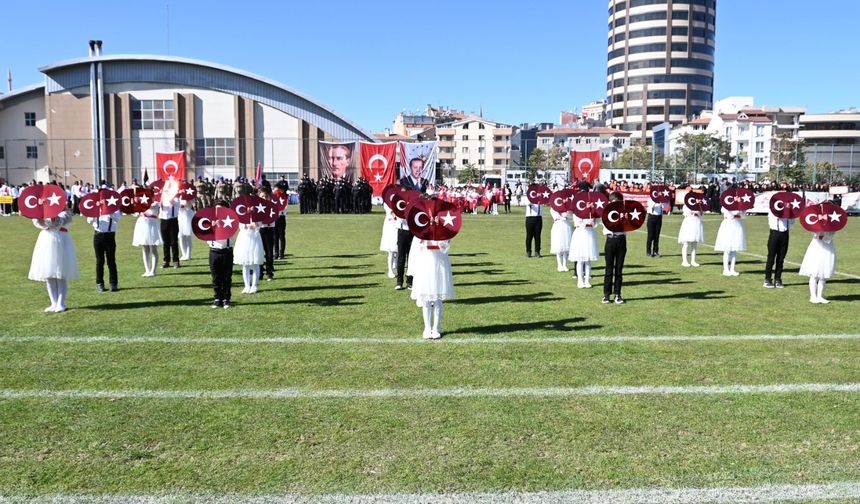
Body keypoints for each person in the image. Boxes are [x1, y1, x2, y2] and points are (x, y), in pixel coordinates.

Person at [29, 210, 79, 312]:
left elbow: (57, 223)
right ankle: (54, 303)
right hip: (46, 241)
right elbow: (40, 224)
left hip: (61, 242)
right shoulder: (44, 212)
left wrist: (50, 217)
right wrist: (36, 215)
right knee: (49, 275)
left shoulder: (66, 213)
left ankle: (61, 303)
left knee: (60, 275)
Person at [395, 158, 429, 290]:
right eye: (416, 167)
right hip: (403, 225)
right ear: (411, 168)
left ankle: (410, 281)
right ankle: (399, 281)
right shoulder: (403, 182)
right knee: (401, 254)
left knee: (413, 255)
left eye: (421, 168)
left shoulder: (425, 183)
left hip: (417, 226)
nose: (418, 170)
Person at [410, 238, 454, 339]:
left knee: (438, 298)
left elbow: (445, 247)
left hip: (440, 264)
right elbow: (417, 249)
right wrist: (421, 240)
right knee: (426, 299)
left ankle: (436, 328)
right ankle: (427, 328)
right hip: (425, 264)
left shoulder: (442, 229)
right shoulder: (421, 228)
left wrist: (445, 241)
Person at [87, 204, 121, 292]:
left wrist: (109, 210)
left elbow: (117, 218)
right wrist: (95, 210)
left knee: (111, 260)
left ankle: (113, 283)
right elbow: (89, 221)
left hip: (110, 236)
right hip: (98, 235)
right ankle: (99, 283)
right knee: (99, 261)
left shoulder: (114, 208)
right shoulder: (95, 208)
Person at [208, 200, 234, 309]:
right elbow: (203, 233)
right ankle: (217, 298)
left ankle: (226, 299)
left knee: (227, 277)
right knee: (216, 276)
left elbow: (230, 230)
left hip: (226, 251)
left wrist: (221, 224)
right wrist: (212, 226)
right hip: (214, 251)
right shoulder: (210, 220)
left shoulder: (231, 220)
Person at [602, 192, 627, 304]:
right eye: (614, 203)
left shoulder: (625, 212)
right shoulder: (606, 212)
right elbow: (608, 225)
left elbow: (630, 226)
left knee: (619, 269)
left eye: (618, 203)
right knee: (608, 269)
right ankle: (606, 295)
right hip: (611, 240)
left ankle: (618, 294)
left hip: (621, 240)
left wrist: (625, 219)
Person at [799, 231, 836, 304]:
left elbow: (831, 235)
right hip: (817, 247)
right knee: (814, 273)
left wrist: (828, 233)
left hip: (827, 247)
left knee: (824, 274)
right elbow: (815, 234)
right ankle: (813, 296)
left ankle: (820, 296)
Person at [763, 206, 794, 288]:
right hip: (774, 234)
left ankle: (778, 279)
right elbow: (776, 216)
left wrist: (789, 213)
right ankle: (767, 279)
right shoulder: (772, 211)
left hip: (785, 235)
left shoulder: (787, 212)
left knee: (781, 259)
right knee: (771, 258)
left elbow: (792, 222)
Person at [714, 205, 746, 276]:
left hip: (737, 225)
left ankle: (732, 269)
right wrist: (739, 207)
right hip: (728, 225)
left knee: (734, 249)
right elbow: (734, 213)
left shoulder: (739, 204)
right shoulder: (726, 205)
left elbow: (743, 216)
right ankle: (725, 269)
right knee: (727, 249)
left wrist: (743, 210)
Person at [132, 201, 162, 277]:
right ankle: (147, 270)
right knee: (145, 248)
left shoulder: (156, 202)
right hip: (142, 223)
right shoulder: (142, 200)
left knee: (153, 248)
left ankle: (153, 271)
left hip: (152, 224)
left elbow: (154, 206)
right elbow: (135, 212)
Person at [234, 218, 264, 294]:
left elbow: (259, 225)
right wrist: (246, 225)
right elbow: (240, 225)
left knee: (255, 262)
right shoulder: (242, 213)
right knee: (245, 264)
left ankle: (254, 286)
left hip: (255, 238)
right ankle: (247, 286)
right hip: (244, 238)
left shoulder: (257, 214)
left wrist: (255, 224)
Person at [570, 211, 599, 289]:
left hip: (590, 234)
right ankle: (580, 280)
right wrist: (586, 222)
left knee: (588, 260)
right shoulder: (577, 210)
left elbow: (595, 223)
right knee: (580, 259)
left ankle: (587, 281)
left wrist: (593, 218)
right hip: (580, 234)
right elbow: (577, 223)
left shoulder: (592, 211)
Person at [257, 187, 276, 281]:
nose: (264, 198)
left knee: (269, 252)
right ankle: (260, 271)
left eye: (266, 196)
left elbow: (275, 216)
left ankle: (269, 272)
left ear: (270, 197)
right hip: (260, 230)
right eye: (262, 196)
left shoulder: (272, 206)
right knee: (259, 252)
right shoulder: (256, 206)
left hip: (269, 229)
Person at [678, 201, 704, 268]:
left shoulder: (698, 204)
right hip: (689, 223)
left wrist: (699, 205)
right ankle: (684, 261)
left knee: (694, 243)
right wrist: (694, 211)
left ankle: (693, 260)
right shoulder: (687, 204)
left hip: (696, 222)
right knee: (686, 243)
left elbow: (701, 213)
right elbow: (686, 213)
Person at [159, 191, 181, 268]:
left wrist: (172, 200)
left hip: (173, 220)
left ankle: (176, 260)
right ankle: (166, 260)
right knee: (165, 242)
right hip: (163, 220)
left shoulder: (176, 198)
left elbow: (178, 205)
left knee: (174, 242)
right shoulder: (162, 197)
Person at [379, 202, 399, 278]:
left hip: (397, 225)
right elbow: (391, 212)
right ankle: (390, 271)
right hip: (390, 225)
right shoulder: (387, 203)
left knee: (397, 248)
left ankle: (395, 263)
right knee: (391, 250)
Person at [549, 207, 571, 272]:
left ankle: (565, 264)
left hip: (566, 226)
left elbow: (569, 215)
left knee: (566, 246)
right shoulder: (553, 208)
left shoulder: (566, 207)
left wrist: (566, 210)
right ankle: (559, 265)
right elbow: (556, 216)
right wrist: (561, 216)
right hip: (558, 226)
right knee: (558, 246)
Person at [177, 189, 195, 261]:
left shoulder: (190, 196)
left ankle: (188, 254)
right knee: (181, 237)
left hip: (187, 216)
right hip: (180, 216)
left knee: (188, 236)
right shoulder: (177, 196)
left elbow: (188, 204)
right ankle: (184, 254)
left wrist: (187, 198)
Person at [273, 188, 288, 260]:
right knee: (275, 237)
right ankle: (276, 252)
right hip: (274, 218)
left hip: (281, 218)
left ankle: (282, 253)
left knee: (281, 236)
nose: (276, 192)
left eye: (277, 190)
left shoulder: (283, 198)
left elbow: (285, 208)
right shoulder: (273, 198)